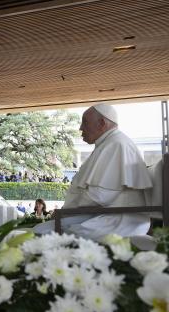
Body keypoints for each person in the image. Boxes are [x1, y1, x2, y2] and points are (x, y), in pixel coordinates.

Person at [34, 103, 153, 240]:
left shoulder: (116, 144)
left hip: (119, 221)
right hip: (105, 214)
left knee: (40, 233)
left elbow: (100, 195)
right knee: (41, 229)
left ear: (102, 123)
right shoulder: (109, 143)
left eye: (85, 122)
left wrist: (65, 212)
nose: (80, 128)